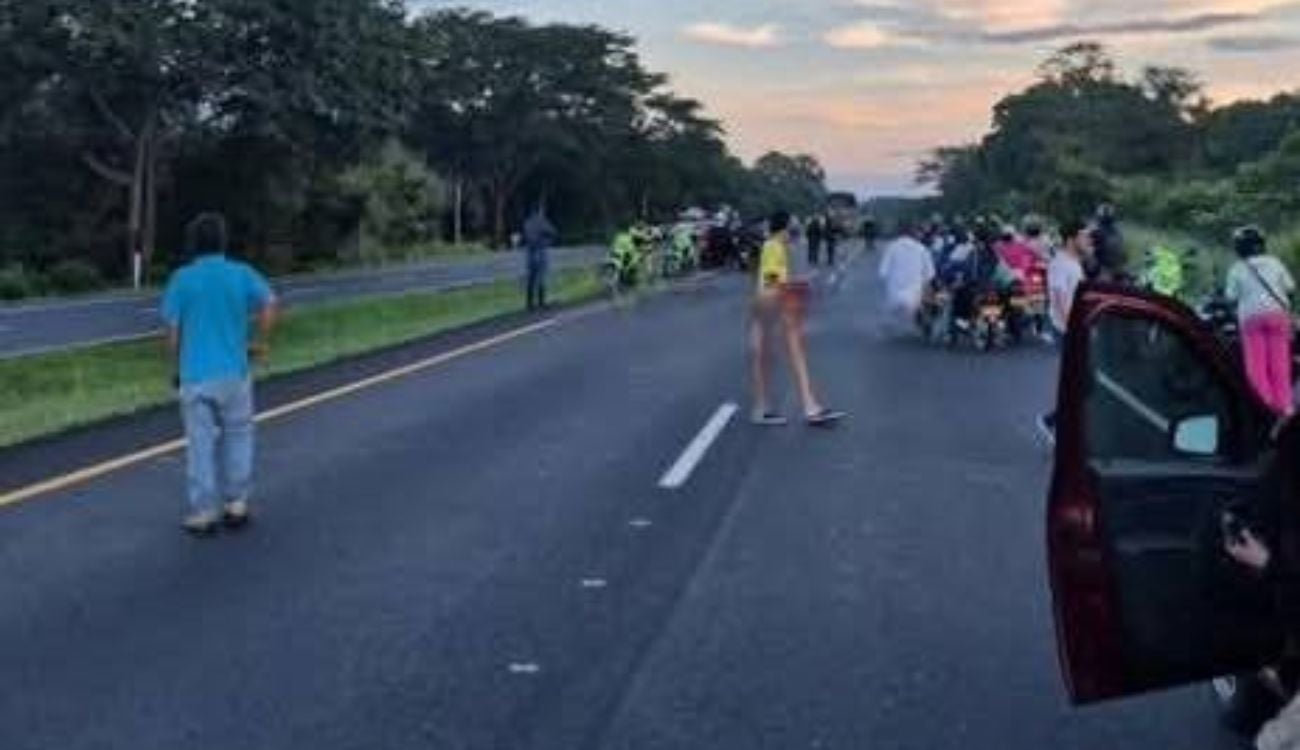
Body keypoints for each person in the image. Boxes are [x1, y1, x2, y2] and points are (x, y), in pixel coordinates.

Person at [162, 212, 277, 535]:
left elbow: (172, 333)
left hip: (195, 376)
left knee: (200, 444)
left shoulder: (181, 279)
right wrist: (260, 342)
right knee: (239, 435)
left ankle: (202, 512)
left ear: (193, 244)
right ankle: (236, 503)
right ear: (224, 242)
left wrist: (176, 369)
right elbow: (269, 302)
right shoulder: (241, 274)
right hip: (235, 372)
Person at [750, 210, 845, 427]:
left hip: (770, 304)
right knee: (787, 355)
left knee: (768, 358)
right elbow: (771, 279)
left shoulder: (776, 246)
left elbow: (773, 279)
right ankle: (809, 407)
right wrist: (797, 284)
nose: (798, 225)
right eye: (794, 223)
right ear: (785, 227)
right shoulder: (773, 246)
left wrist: (797, 281)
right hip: (772, 306)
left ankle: (767, 409)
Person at [1226, 226, 1296, 416]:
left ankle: (1264, 408)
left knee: (1257, 367)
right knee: (1280, 363)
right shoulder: (1275, 262)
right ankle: (1286, 407)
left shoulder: (1237, 269)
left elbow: (1231, 297)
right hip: (1278, 315)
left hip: (1251, 319)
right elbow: (1290, 287)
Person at [1036, 219, 1093, 445]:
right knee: (1082, 383)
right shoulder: (1061, 263)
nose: (1088, 240)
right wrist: (1073, 330)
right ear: (1071, 239)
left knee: (1083, 383)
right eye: (1084, 236)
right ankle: (1054, 422)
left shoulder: (1073, 262)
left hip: (1074, 328)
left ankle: (1062, 425)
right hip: (1067, 330)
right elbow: (1059, 300)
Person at [878, 221, 936, 326]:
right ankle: (922, 316)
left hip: (894, 296)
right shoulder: (921, 249)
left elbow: (883, 272)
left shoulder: (892, 247)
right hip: (915, 295)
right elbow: (930, 273)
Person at [522, 207, 558, 310]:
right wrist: (547, 241)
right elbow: (553, 231)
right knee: (541, 278)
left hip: (530, 252)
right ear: (538, 212)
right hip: (540, 250)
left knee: (531, 278)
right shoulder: (541, 221)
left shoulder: (527, 223)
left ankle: (529, 304)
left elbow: (526, 237)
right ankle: (541, 303)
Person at [1089, 203, 1127, 282]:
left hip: (1102, 271)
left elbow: (1088, 252)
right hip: (1118, 269)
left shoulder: (1096, 231)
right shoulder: (1118, 233)